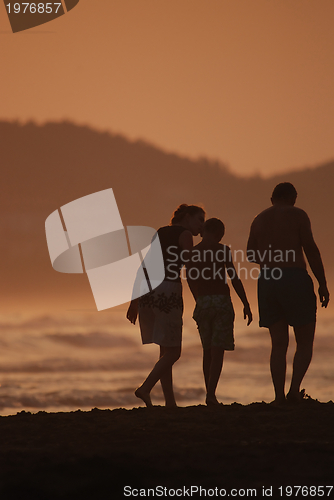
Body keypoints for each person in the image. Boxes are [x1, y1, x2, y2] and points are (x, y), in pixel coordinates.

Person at [247, 182, 330, 405]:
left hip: (267, 280)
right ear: (293, 197)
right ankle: (294, 391)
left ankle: (278, 396)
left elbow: (250, 254)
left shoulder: (259, 219)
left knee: (278, 344)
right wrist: (322, 283)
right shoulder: (298, 215)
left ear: (272, 198)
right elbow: (310, 249)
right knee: (304, 341)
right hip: (294, 278)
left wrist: (271, 261)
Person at [126, 204, 205, 408]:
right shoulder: (185, 234)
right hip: (168, 289)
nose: (201, 226)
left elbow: (144, 266)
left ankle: (170, 402)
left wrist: (134, 301)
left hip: (148, 290)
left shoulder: (160, 232)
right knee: (174, 352)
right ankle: (145, 388)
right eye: (200, 220)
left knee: (165, 350)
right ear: (187, 217)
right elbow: (190, 264)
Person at [187, 218, 252, 406]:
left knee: (207, 351)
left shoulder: (192, 253)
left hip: (203, 303)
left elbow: (191, 280)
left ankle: (209, 393)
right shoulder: (222, 250)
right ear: (219, 233)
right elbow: (234, 278)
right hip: (221, 302)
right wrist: (245, 303)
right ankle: (211, 394)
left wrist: (198, 300)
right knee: (218, 351)